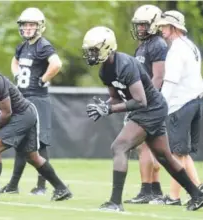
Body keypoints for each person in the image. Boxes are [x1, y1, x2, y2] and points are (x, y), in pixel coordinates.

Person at [82, 26, 203, 211]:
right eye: (89, 50)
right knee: (165, 157)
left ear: (107, 47)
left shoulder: (125, 64)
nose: (91, 54)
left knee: (119, 147)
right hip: (148, 109)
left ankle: (115, 202)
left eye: (94, 49)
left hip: (150, 109)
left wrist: (110, 109)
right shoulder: (104, 70)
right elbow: (115, 97)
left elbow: (140, 100)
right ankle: (197, 195)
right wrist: (104, 106)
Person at [0, 49, 72, 201]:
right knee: (32, 157)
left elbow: (6, 113)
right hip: (20, 114)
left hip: (22, 114)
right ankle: (61, 189)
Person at [0, 7, 62, 195]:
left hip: (38, 99)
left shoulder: (43, 46)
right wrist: (16, 74)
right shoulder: (23, 46)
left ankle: (41, 186)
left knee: (39, 143)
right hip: (25, 98)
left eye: (31, 24)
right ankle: (13, 186)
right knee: (21, 142)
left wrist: (43, 79)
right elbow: (14, 61)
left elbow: (56, 63)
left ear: (40, 26)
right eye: (25, 24)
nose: (27, 28)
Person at [149, 10, 203, 205]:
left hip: (181, 104)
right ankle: (198, 189)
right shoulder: (190, 46)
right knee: (182, 152)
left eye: (164, 26)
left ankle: (174, 197)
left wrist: (160, 107)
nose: (161, 29)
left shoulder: (176, 50)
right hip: (195, 101)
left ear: (174, 28)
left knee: (175, 153)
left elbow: (170, 81)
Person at [124, 4, 167, 204]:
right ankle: (155, 189)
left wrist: (146, 103)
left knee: (143, 147)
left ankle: (146, 191)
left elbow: (158, 77)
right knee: (151, 147)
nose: (140, 28)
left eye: (144, 24)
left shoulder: (157, 44)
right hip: (148, 102)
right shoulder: (144, 45)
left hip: (149, 103)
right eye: (138, 25)